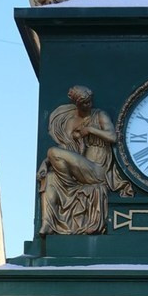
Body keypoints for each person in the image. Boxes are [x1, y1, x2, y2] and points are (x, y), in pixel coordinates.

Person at [38, 84, 133, 235]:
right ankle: (47, 223)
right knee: (50, 178)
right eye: (85, 103)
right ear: (77, 104)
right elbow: (66, 149)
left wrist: (90, 130)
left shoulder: (99, 115)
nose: (89, 105)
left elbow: (112, 136)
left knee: (52, 152)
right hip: (81, 169)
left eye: (90, 101)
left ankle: (69, 185)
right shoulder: (70, 123)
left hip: (97, 170)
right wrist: (45, 163)